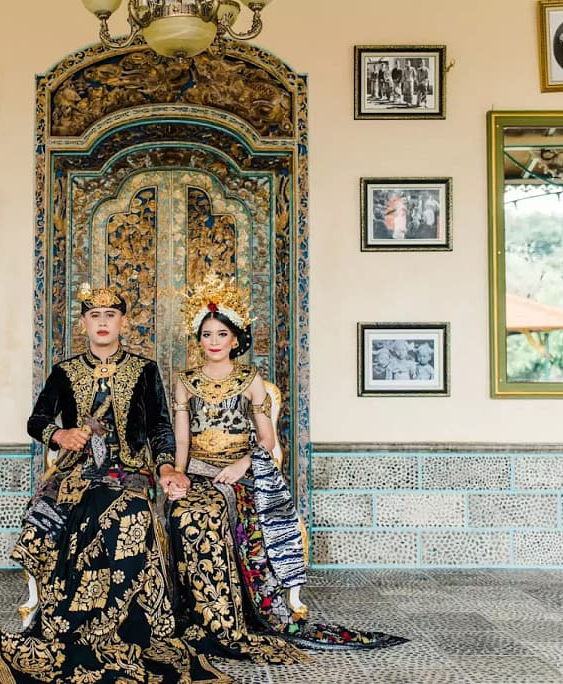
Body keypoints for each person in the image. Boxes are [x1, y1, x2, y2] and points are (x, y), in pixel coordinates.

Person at [0, 283, 228, 683]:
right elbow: (37, 421)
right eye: (94, 316)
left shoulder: (144, 369)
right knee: (72, 515)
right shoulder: (65, 372)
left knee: (131, 513)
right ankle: (70, 624)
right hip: (77, 474)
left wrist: (167, 468)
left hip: (129, 472)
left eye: (110, 315)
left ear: (123, 322)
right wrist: (60, 436)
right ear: (84, 323)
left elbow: (160, 428)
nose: (102, 323)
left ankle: (125, 627)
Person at [165, 273, 407, 663]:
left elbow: (267, 441)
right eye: (206, 335)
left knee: (211, 513)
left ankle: (227, 618)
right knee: (185, 509)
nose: (213, 342)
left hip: (240, 472)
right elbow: (181, 440)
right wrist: (178, 475)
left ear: (235, 338)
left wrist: (243, 465)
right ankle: (195, 613)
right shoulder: (185, 381)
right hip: (195, 469)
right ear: (199, 339)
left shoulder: (250, 380)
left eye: (221, 334)